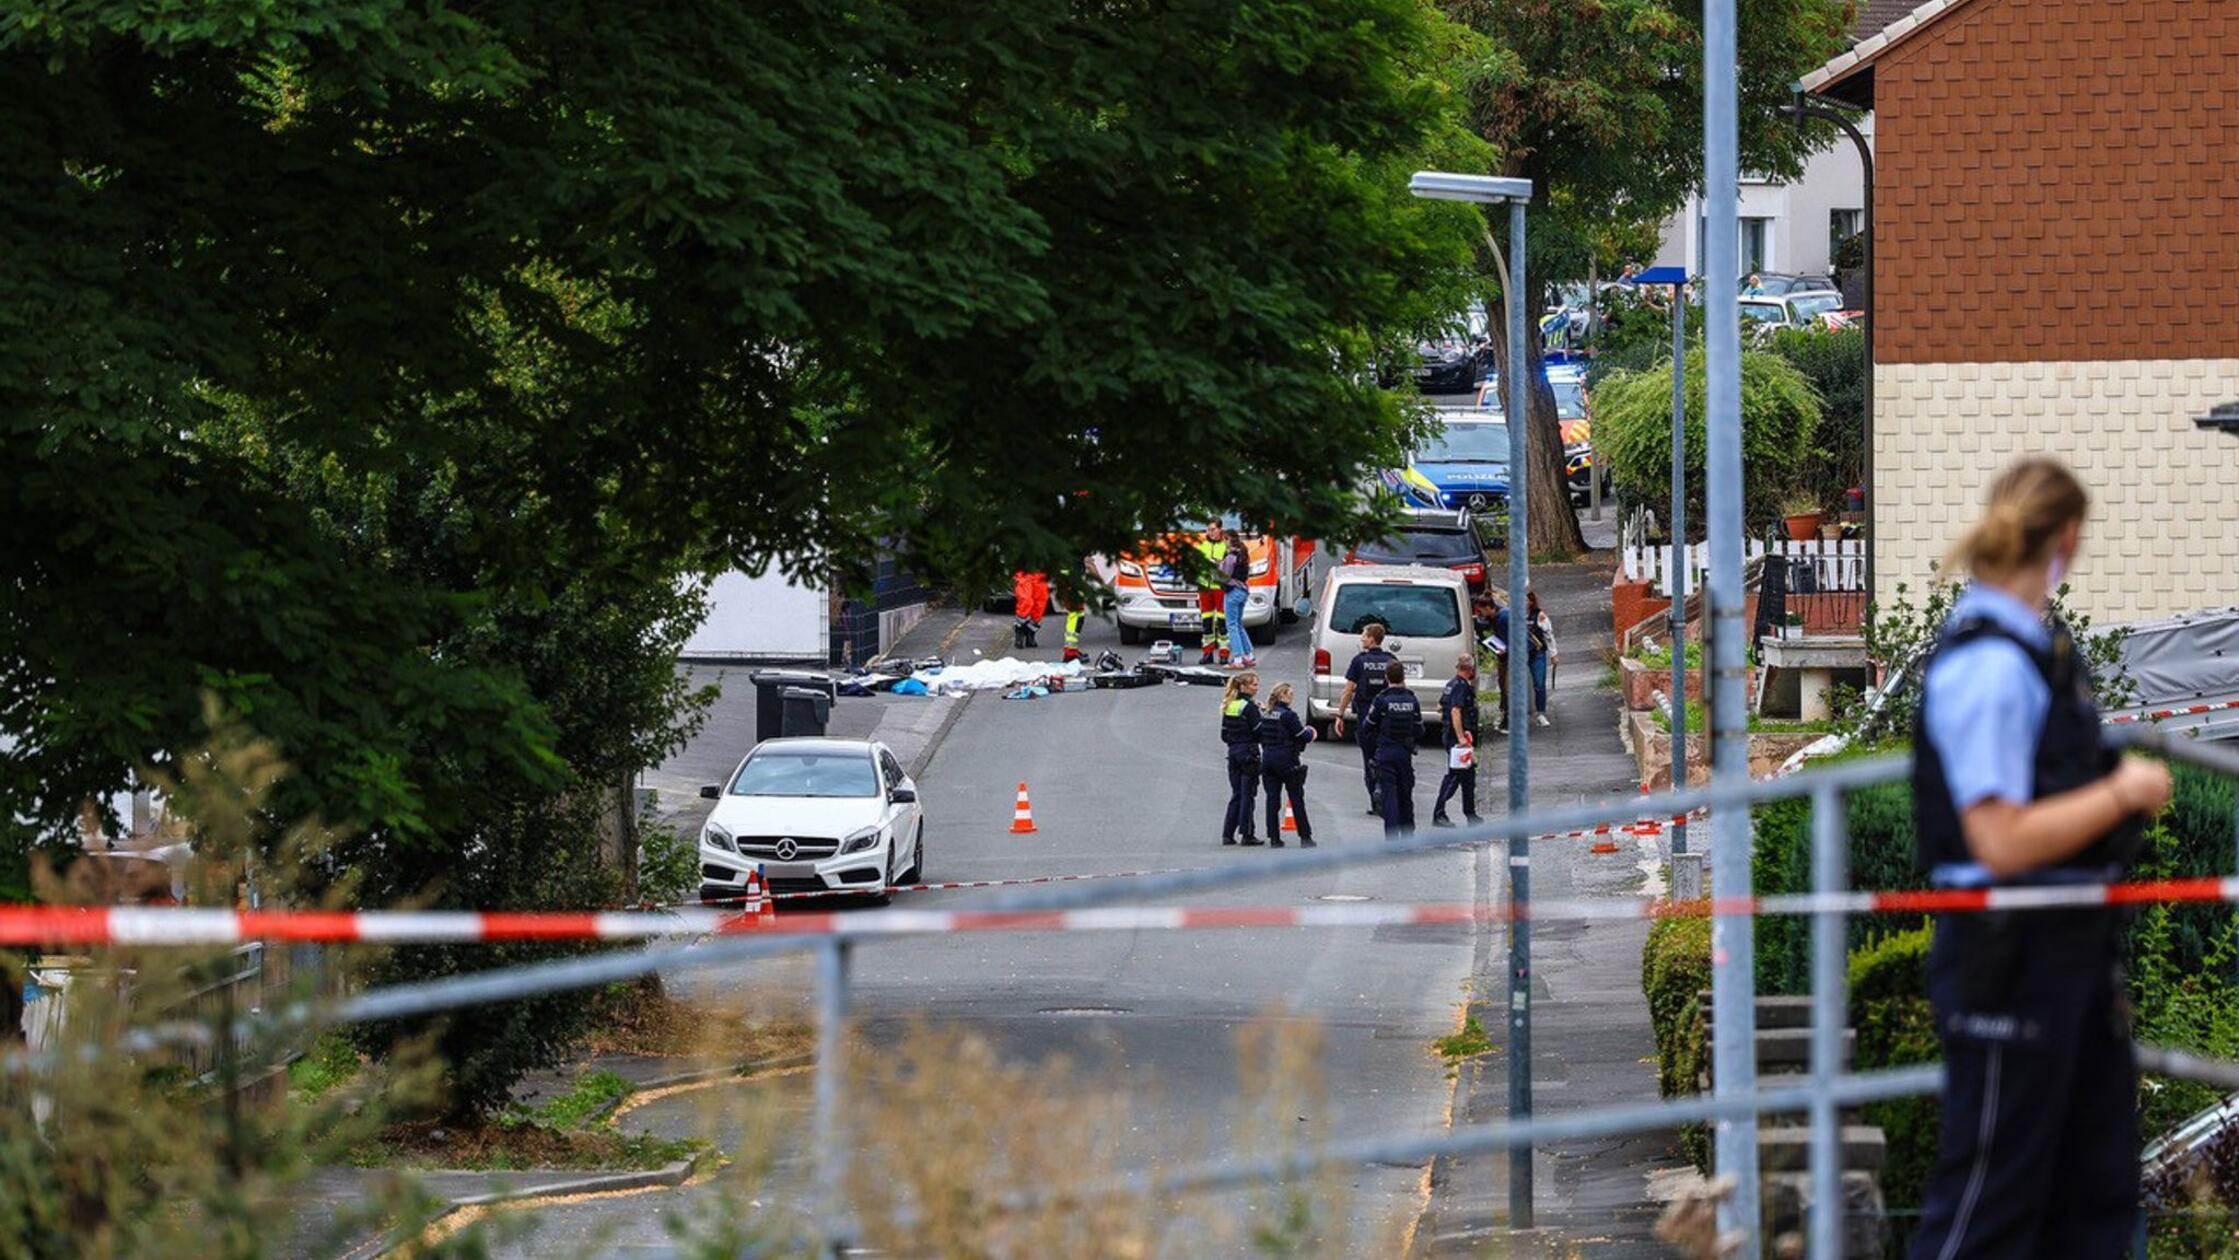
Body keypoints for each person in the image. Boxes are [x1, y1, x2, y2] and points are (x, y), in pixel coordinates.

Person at [1905, 458, 2172, 1260]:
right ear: (2069, 536)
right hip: (2009, 953)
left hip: (2070, 950)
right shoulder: (1988, 666)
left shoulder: (2035, 653)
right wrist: (2122, 793)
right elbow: (1999, 839)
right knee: (1991, 1195)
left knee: (2094, 1195)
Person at [1331, 623, 1398, 816]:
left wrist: (1340, 714)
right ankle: (1385, 794)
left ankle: (1374, 795)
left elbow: (1348, 690)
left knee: (1369, 759)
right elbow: (1399, 686)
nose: (1361, 638)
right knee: (1385, 758)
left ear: (1371, 638)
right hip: (1387, 719)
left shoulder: (1359, 661)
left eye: (1364, 635)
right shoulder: (1391, 660)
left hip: (1365, 717)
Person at [1360, 660, 1422, 838]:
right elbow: (1420, 729)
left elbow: (1367, 726)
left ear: (1386, 677)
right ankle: (1409, 836)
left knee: (1389, 796)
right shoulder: (1412, 699)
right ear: (1404, 676)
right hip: (1404, 753)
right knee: (1405, 795)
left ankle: (1392, 839)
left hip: (1385, 752)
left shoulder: (1381, 700)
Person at [1258, 682, 1317, 848]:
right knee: (1296, 797)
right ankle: (1305, 837)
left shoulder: (1266, 714)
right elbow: (1302, 735)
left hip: (1268, 758)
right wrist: (1311, 732)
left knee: (1272, 799)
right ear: (1282, 696)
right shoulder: (1288, 715)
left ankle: (1274, 838)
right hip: (1286, 759)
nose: (1292, 697)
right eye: (1289, 694)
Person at [1431, 653, 1481, 827]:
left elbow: (1440, 706)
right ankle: (1438, 813)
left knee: (1468, 776)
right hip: (1457, 740)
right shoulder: (1460, 686)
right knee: (1454, 776)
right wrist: (1461, 737)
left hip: (1455, 736)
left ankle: (1471, 814)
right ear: (1470, 669)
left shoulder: (1451, 684)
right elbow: (1455, 710)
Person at [1218, 670, 1264, 847]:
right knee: (1248, 794)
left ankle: (1227, 834)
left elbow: (1224, 735)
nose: (1256, 687)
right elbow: (1259, 732)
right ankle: (1247, 833)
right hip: (1248, 753)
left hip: (1233, 753)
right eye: (1254, 684)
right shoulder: (1250, 708)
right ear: (1243, 686)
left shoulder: (1229, 705)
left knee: (1236, 794)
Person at [1218, 527, 1256, 669]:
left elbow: (1224, 576)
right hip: (1243, 591)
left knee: (1231, 625)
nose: (1224, 543)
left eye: (1224, 540)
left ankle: (1238, 659)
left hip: (1233, 592)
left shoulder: (1230, 557)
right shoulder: (1243, 555)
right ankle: (1249, 655)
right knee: (1239, 624)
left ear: (1228, 539)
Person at [1193, 522, 1230, 666]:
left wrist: (1217, 563)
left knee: (1222, 622)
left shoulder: (1225, 545)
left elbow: (1230, 565)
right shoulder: (1202, 545)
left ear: (1220, 529)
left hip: (1220, 586)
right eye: (1208, 530)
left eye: (1213, 529)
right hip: (1204, 586)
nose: (1210, 532)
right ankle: (1207, 653)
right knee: (1206, 622)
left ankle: (1224, 653)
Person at [1525, 589, 1558, 727]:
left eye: (1525, 600)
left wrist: (1553, 654)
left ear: (1531, 601)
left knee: (1539, 684)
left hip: (1537, 653)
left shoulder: (1539, 615)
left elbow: (1548, 635)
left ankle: (1541, 714)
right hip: (1521, 655)